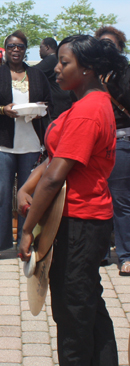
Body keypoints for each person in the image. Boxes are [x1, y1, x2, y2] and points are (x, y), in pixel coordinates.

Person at [18, 35, 127, 366]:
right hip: (75, 220)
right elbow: (52, 159)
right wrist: (27, 185)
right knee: (87, 308)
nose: (57, 70)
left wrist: (26, 229)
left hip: (80, 221)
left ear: (89, 69)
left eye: (65, 64)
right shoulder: (85, 105)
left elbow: (55, 177)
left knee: (73, 316)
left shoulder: (89, 111)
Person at [0, 30, 52, 263]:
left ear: (25, 49)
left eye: (20, 46)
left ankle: (25, 242)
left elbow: (50, 104)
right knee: (1, 193)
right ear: (5, 49)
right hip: (1, 144)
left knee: (29, 195)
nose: (16, 50)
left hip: (31, 144)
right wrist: (2, 110)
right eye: (11, 46)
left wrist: (41, 109)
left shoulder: (37, 75)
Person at [95, 26, 130, 275]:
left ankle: (126, 255)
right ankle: (101, 252)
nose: (107, 49)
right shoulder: (91, 72)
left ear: (121, 48)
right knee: (98, 197)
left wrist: (114, 83)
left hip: (121, 139)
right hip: (96, 143)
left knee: (119, 199)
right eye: (102, 44)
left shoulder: (126, 71)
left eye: (112, 45)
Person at [34, 37, 72, 119]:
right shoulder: (57, 59)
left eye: (41, 47)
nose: (39, 51)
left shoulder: (51, 59)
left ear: (47, 47)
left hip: (58, 105)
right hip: (64, 101)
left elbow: (32, 72)